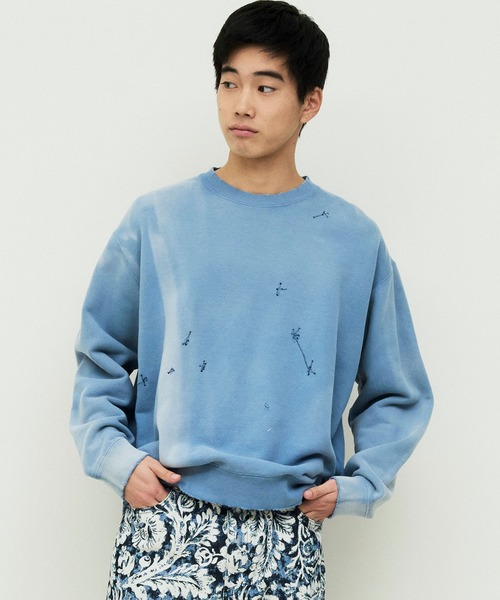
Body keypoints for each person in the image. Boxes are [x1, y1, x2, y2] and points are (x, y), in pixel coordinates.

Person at [71, 1, 433, 598]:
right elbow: (100, 354)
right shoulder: (159, 220)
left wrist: (362, 483)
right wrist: (115, 457)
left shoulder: (352, 240)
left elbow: (398, 388)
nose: (242, 104)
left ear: (309, 102)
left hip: (289, 535)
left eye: (266, 87)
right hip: (166, 520)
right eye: (228, 83)